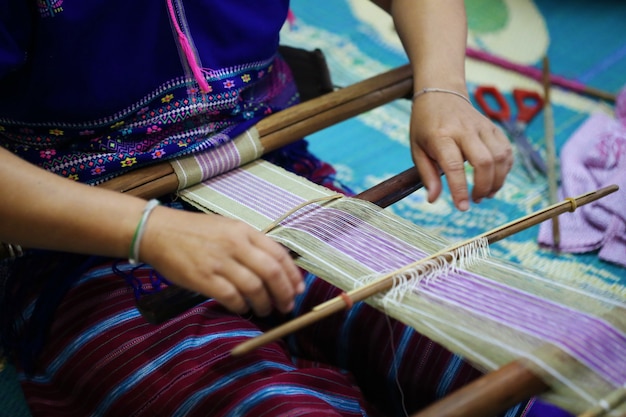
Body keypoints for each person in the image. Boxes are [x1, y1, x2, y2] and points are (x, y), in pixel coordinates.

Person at [0, 0, 567, 416]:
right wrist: (146, 229)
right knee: (265, 407)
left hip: (276, 181)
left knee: (495, 359)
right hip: (79, 241)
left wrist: (441, 88)